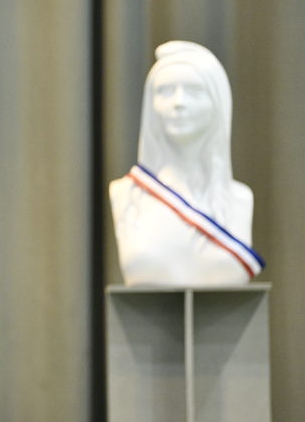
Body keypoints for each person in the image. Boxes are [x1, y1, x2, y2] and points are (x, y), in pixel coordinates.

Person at [109, 40, 263, 285]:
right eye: (165, 91)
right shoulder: (126, 195)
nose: (178, 102)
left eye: (194, 91)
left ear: (218, 103)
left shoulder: (239, 200)